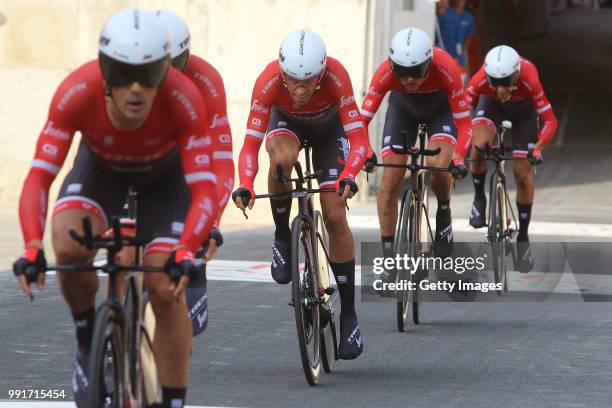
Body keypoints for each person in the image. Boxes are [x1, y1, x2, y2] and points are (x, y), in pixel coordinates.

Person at [12, 9, 219, 408]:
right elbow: (39, 177)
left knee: (164, 282)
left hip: (165, 179)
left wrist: (187, 246)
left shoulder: (184, 97)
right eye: (123, 75)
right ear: (105, 71)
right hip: (102, 169)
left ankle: (172, 400)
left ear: (166, 72)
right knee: (69, 247)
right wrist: (32, 246)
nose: (136, 89)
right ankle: (88, 336)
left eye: (151, 74)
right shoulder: (76, 90)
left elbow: (204, 185)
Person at [231, 28, 368, 359]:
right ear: (282, 71)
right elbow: (250, 144)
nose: (300, 88)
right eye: (292, 79)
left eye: (309, 80)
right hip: (287, 125)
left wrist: (349, 175)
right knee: (280, 160)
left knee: (334, 213)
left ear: (322, 71)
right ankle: (282, 235)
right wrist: (246, 183)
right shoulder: (268, 82)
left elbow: (360, 141)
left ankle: (349, 314)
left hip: (329, 129)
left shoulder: (337, 76)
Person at [361, 27, 471, 278]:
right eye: (402, 72)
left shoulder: (446, 67)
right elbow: (360, 121)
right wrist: (366, 151)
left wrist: (459, 157)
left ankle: (444, 211)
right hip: (403, 110)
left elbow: (465, 123)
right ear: (392, 65)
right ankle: (389, 259)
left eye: (416, 72)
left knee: (438, 166)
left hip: (439, 109)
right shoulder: (384, 73)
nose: (409, 79)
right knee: (389, 181)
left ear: (429, 63)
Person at [156, 9, 235, 337]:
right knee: (122, 253)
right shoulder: (129, 80)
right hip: (144, 155)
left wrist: (211, 223)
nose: (169, 75)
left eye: (177, 64)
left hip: (189, 156)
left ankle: (195, 266)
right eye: (161, 67)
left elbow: (221, 161)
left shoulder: (206, 81)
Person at [465, 45, 558, 272]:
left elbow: (551, 121)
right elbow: (461, 111)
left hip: (524, 112)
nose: (499, 89)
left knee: (521, 173)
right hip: (490, 108)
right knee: (477, 145)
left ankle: (523, 238)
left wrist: (537, 147)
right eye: (493, 82)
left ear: (516, 74)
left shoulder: (529, 77)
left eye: (505, 82)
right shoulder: (479, 81)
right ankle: (479, 198)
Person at [435, 0, 476, 83]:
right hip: (443, 57)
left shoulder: (469, 18)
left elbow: (468, 38)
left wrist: (460, 51)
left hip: (460, 61)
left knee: (459, 86)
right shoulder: (443, 13)